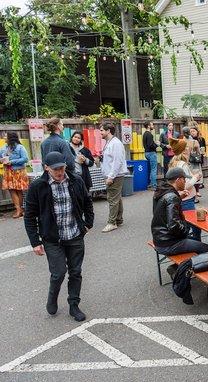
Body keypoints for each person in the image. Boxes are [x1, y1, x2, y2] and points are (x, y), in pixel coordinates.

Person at [24, 151, 94, 322]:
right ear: (46, 168)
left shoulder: (76, 180)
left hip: (75, 235)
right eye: (56, 169)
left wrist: (87, 224)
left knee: (75, 272)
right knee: (59, 273)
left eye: (62, 167)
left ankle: (74, 305)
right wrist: (35, 242)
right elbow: (29, 216)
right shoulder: (37, 186)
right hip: (52, 238)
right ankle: (52, 297)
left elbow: (87, 202)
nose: (60, 172)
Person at [151, 167, 208, 256]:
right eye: (184, 179)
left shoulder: (161, 191)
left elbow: (163, 214)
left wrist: (178, 198)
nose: (185, 181)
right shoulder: (172, 197)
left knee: (196, 241)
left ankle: (182, 266)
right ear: (178, 180)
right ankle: (186, 268)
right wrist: (185, 229)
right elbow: (174, 226)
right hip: (169, 243)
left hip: (160, 239)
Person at [99, 122, 128, 233]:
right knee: (116, 198)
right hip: (112, 175)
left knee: (112, 199)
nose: (100, 132)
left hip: (115, 175)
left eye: (101, 130)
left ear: (108, 131)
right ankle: (118, 219)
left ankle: (112, 223)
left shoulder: (115, 143)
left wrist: (110, 177)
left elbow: (117, 162)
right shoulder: (109, 142)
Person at [0, 132, 29, 218]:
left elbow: (25, 159)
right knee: (12, 190)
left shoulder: (20, 147)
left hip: (18, 171)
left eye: (6, 136)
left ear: (10, 138)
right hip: (8, 172)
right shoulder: (3, 148)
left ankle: (19, 210)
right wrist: (2, 160)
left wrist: (11, 162)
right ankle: (19, 209)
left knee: (19, 190)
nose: (4, 137)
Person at [168, 139, 201, 212]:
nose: (188, 148)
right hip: (187, 199)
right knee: (189, 221)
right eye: (186, 147)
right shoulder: (183, 164)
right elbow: (185, 185)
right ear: (183, 150)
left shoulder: (173, 163)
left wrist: (192, 176)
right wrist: (196, 178)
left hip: (180, 197)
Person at [142, 121, 159, 190]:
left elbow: (146, 145)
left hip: (146, 153)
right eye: (152, 125)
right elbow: (150, 145)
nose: (153, 126)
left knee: (150, 169)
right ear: (148, 126)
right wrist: (157, 144)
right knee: (154, 169)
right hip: (151, 153)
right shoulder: (149, 134)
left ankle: (150, 183)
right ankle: (154, 185)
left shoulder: (144, 134)